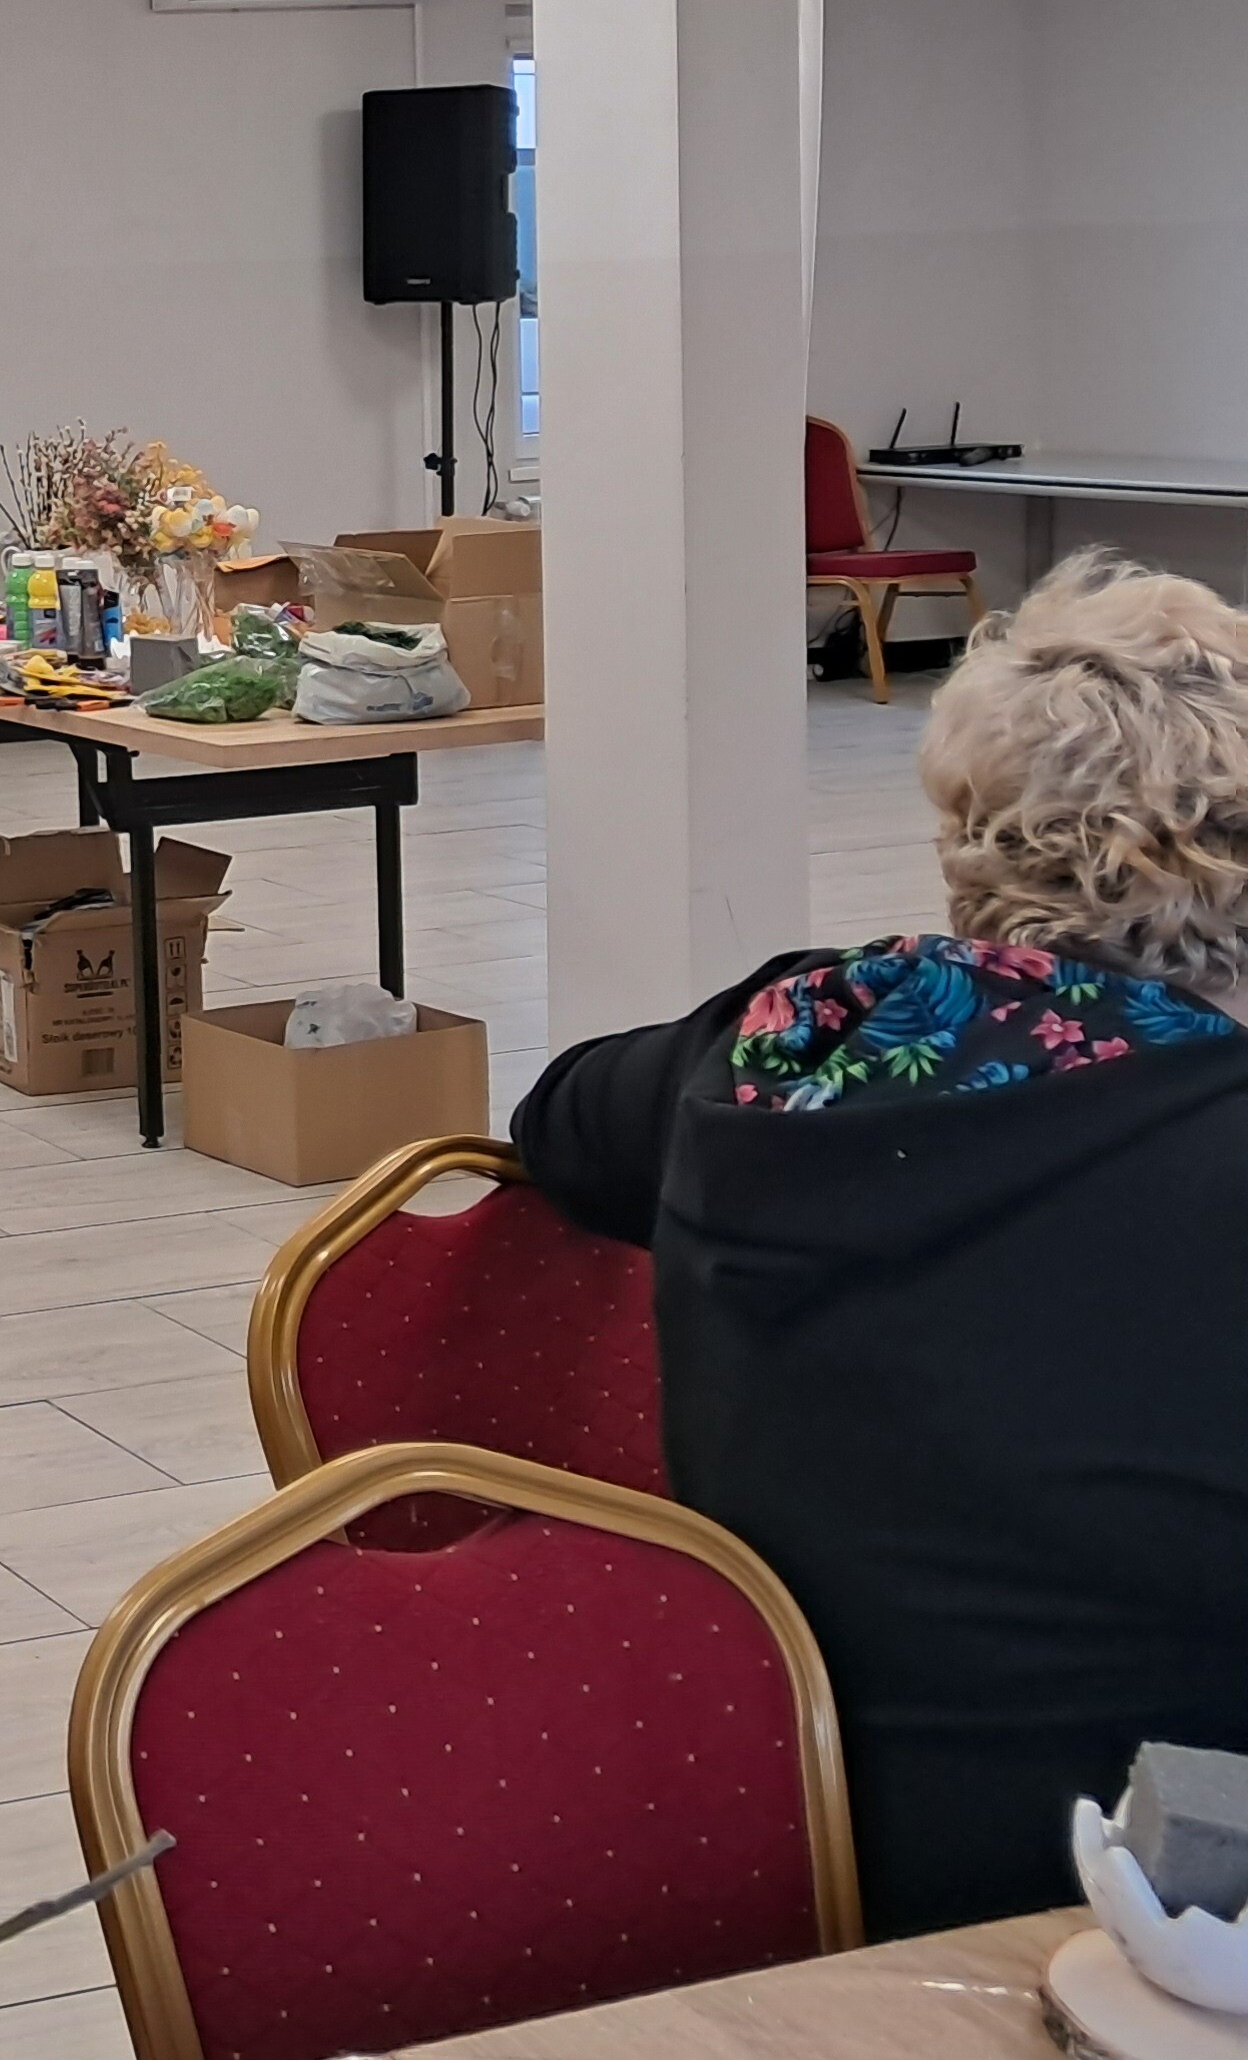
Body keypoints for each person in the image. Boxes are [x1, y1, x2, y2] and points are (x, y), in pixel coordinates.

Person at [513, 553, 1248, 1940]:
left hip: (780, 1861)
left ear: (968, 828)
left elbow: (556, 1121)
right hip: (1157, 1911)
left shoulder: (776, 1051)